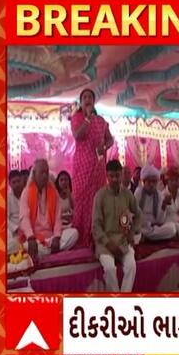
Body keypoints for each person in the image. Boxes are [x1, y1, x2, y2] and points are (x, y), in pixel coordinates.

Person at [71, 88, 114, 247]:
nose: (87, 99)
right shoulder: (77, 117)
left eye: (90, 97)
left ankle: (96, 237)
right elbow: (78, 135)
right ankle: (81, 238)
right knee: (82, 201)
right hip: (82, 168)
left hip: (98, 167)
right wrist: (88, 118)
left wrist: (105, 147)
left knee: (97, 200)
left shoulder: (101, 121)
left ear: (94, 101)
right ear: (81, 102)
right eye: (85, 97)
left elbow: (110, 139)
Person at [92, 160, 142, 292]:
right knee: (109, 269)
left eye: (117, 175)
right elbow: (96, 226)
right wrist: (108, 243)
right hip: (105, 243)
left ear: (121, 175)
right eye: (111, 176)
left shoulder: (127, 194)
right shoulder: (100, 196)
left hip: (123, 241)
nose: (114, 179)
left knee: (131, 266)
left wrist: (132, 233)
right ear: (107, 176)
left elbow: (138, 215)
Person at [19, 159, 79, 260]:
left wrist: (57, 237)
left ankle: (44, 250)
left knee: (74, 233)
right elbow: (24, 218)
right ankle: (49, 250)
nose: (45, 175)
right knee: (25, 246)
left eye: (46, 172)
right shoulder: (26, 192)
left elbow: (58, 218)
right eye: (42, 172)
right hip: (35, 237)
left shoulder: (53, 192)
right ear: (34, 173)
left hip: (51, 236)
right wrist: (30, 237)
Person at [134, 165, 176, 241]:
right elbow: (134, 214)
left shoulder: (159, 195)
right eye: (149, 181)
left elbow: (160, 221)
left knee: (172, 228)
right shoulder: (138, 193)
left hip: (153, 228)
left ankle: (145, 236)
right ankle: (145, 236)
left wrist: (164, 205)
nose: (151, 184)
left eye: (154, 181)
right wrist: (145, 224)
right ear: (144, 182)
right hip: (141, 226)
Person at [7, 169, 24, 254]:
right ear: (9, 184)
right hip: (13, 230)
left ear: (22, 181)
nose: (17, 184)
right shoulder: (7, 197)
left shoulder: (27, 194)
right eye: (14, 182)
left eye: (18, 181)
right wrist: (16, 229)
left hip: (27, 229)